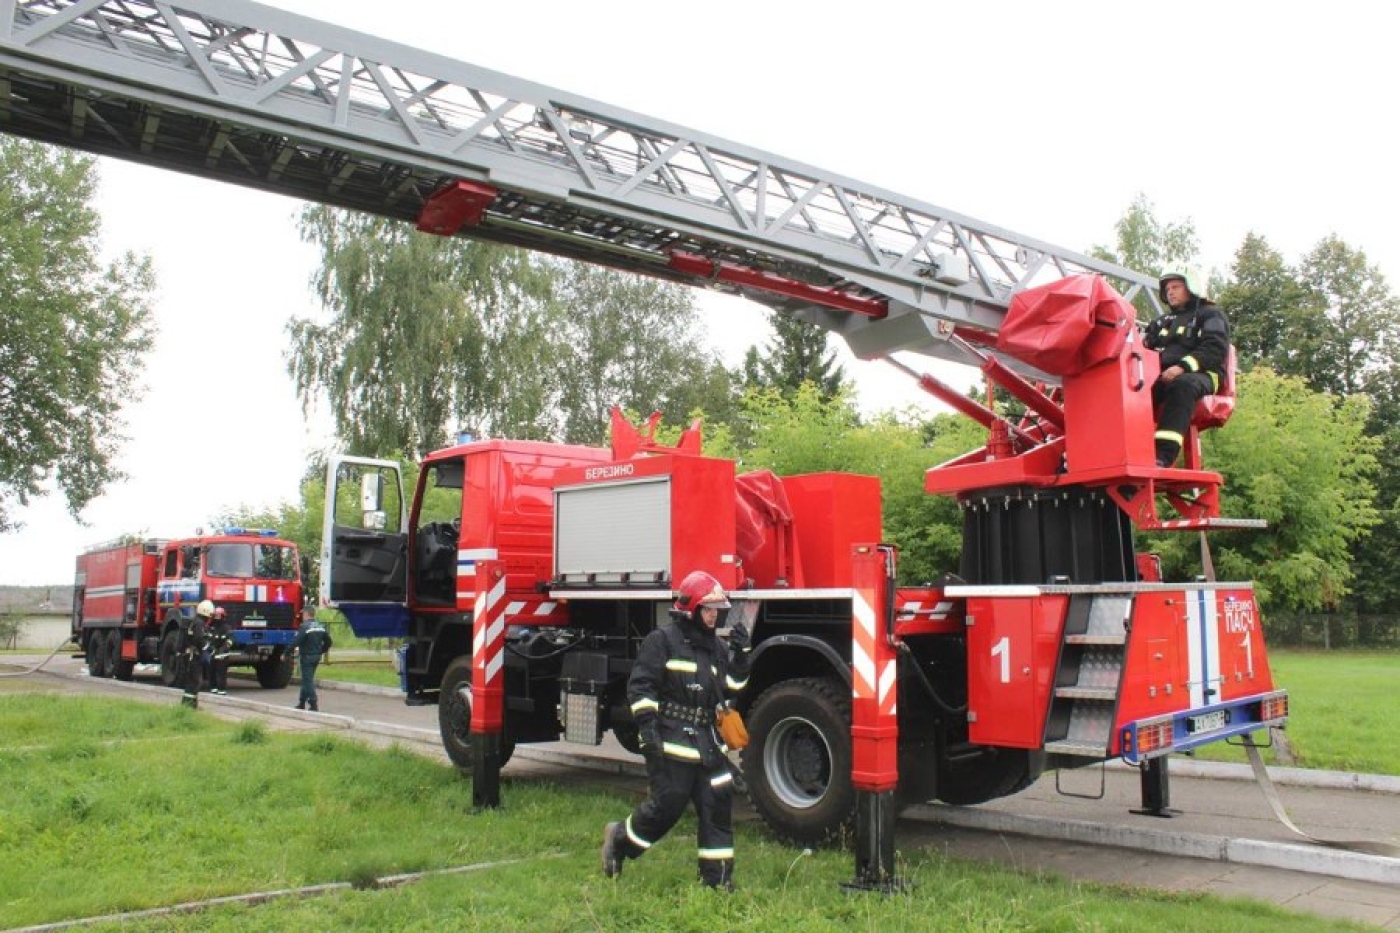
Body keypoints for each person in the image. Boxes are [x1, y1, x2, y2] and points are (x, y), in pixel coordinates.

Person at [601, 570, 752, 891]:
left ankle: (718, 882)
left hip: (709, 745)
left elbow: (731, 690)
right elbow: (641, 687)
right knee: (666, 809)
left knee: (717, 808)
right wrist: (648, 731)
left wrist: (741, 657)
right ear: (692, 609)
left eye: (717, 610)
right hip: (672, 741)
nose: (714, 616)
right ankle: (620, 840)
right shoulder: (662, 641)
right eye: (708, 609)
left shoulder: (718, 649)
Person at [1143, 268, 1232, 468]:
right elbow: (1143, 347)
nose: (1170, 292)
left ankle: (1162, 456)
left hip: (1202, 374)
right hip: (1161, 375)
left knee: (1182, 385)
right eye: (1167, 289)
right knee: (1135, 393)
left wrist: (1181, 367)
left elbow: (1214, 350)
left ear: (1191, 288)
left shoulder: (1211, 314)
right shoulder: (1162, 322)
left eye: (1176, 287)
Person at [290, 605, 332, 711]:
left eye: (303, 614)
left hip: (307, 657)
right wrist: (322, 650)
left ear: (307, 614)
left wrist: (285, 653)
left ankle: (313, 704)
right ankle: (301, 703)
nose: (302, 616)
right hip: (316, 656)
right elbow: (329, 641)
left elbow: (296, 641)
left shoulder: (304, 626)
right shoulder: (320, 626)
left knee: (308, 681)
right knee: (306, 679)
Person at [179, 599, 215, 708]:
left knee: (194, 682)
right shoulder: (199, 623)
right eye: (210, 614)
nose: (210, 617)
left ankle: (190, 705)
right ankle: (189, 706)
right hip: (194, 657)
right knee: (194, 682)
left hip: (192, 656)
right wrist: (206, 649)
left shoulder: (197, 621)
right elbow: (199, 639)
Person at [204, 607, 233, 696]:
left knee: (221, 672)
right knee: (211, 670)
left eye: (219, 615)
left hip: (222, 655)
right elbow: (207, 640)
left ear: (223, 616)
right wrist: (211, 649)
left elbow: (229, 641)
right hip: (213, 653)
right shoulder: (211, 628)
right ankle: (213, 687)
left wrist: (222, 650)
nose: (217, 617)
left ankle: (222, 689)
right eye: (215, 615)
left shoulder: (226, 628)